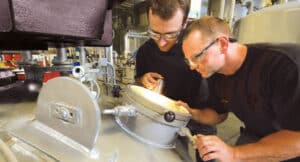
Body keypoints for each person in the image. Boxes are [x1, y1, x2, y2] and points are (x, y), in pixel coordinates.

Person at [179, 16, 300, 162]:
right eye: (188, 60)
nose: (192, 66)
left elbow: (297, 139)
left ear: (223, 44)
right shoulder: (215, 72)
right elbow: (218, 114)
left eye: (197, 57)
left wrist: (234, 154)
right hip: (255, 135)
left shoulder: (281, 66)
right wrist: (191, 113)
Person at [135, 0, 217, 161]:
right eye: (155, 33)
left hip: (200, 116)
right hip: (164, 116)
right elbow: (138, 81)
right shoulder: (145, 51)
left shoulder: (201, 47)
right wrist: (143, 79)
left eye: (170, 34)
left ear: (184, 22)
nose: (162, 42)